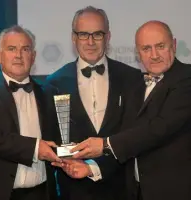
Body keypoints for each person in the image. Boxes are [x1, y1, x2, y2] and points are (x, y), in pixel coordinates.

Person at [70, 20, 191, 200]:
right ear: (138, 52)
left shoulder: (186, 79)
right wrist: (92, 167)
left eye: (160, 46)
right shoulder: (137, 86)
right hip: (137, 192)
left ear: (173, 44)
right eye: (146, 49)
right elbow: (129, 138)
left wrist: (104, 144)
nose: (154, 55)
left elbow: (159, 128)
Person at [46, 6, 141, 200]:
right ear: (73, 38)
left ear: (108, 37)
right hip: (73, 190)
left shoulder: (132, 78)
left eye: (97, 34)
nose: (90, 42)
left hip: (121, 188)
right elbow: (51, 139)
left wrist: (96, 167)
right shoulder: (54, 82)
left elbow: (135, 135)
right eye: (83, 35)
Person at [0, 25, 62, 200]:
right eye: (11, 49)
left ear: (33, 56)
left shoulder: (49, 92)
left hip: (42, 193)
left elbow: (58, 138)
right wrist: (34, 148)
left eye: (25, 49)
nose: (18, 55)